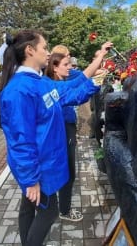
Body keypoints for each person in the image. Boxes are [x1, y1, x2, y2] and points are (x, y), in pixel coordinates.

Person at [0, 29, 112, 246]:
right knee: (48, 213)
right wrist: (31, 179)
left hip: (45, 163)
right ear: (30, 51)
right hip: (39, 168)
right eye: (44, 48)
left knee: (28, 207)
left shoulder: (40, 83)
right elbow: (20, 140)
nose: (48, 53)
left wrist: (95, 81)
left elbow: (69, 92)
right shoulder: (19, 90)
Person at [45, 52, 83, 222]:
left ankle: (58, 208)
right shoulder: (54, 86)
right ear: (54, 67)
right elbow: (77, 93)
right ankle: (64, 210)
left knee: (68, 171)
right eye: (66, 64)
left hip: (68, 128)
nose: (70, 67)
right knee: (68, 171)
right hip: (64, 129)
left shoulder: (60, 82)